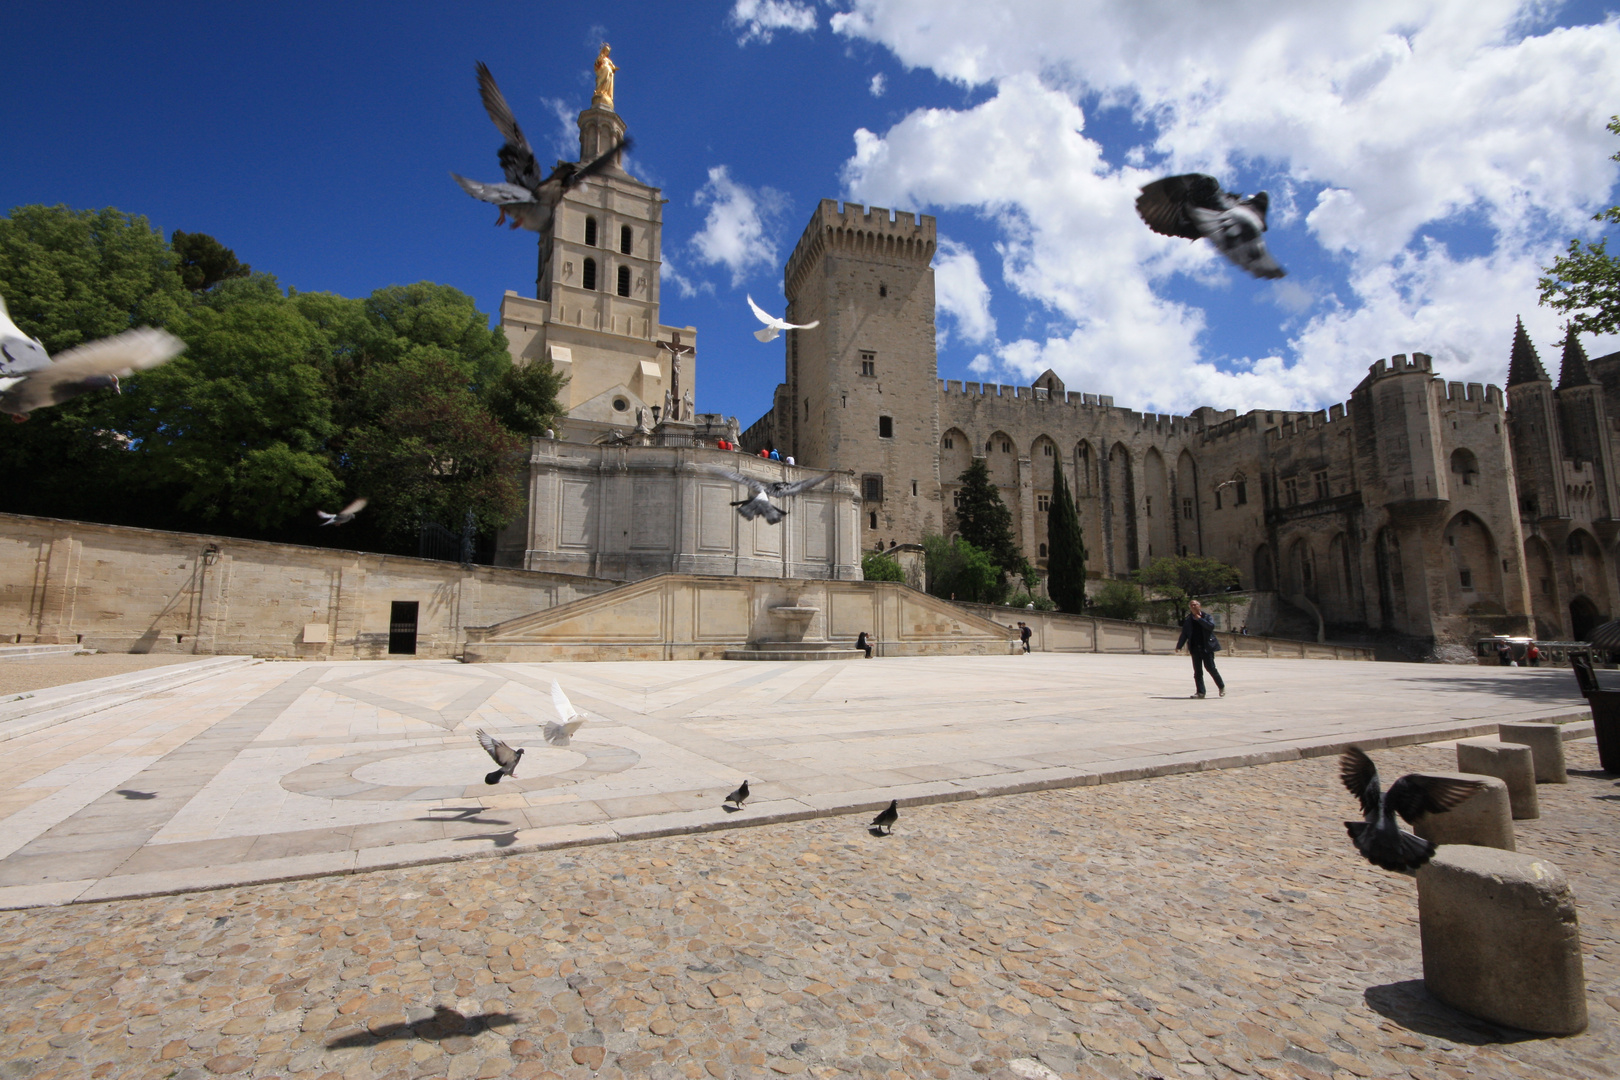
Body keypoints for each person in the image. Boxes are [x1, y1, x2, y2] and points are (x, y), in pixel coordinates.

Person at [1175, 598, 1225, 698]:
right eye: (1191, 605)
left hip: (1206, 647)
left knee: (1211, 668)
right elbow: (1184, 633)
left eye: (1195, 605)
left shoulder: (1206, 616)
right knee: (1197, 672)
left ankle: (1221, 686)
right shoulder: (1188, 619)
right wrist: (1179, 645)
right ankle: (1200, 692)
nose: (1193, 606)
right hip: (1194, 648)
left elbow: (1211, 627)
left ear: (1199, 606)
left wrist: (1200, 619)